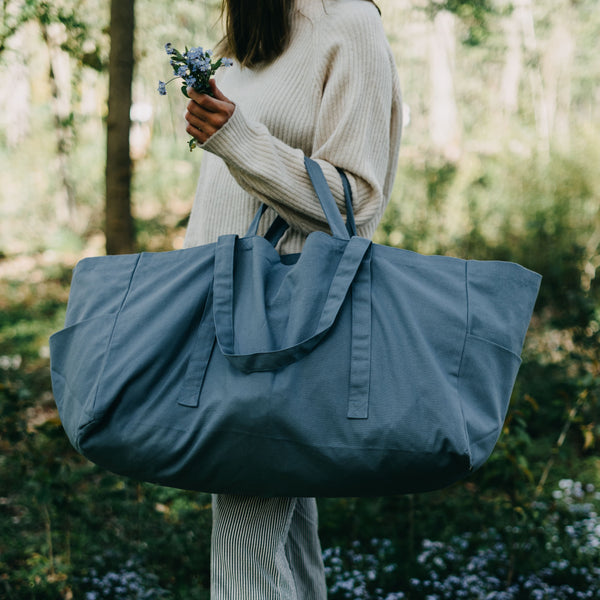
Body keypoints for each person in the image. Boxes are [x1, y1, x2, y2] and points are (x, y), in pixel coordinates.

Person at [183, 0, 402, 597]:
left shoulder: (348, 23)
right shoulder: (245, 38)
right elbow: (224, 201)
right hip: (217, 312)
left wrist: (238, 139)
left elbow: (356, 202)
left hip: (280, 325)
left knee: (246, 536)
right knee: (283, 532)